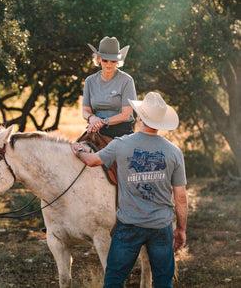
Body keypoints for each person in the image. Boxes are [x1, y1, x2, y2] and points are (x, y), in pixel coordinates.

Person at [71, 92, 188, 288]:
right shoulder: (174, 152)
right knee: (162, 281)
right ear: (160, 122)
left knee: (114, 279)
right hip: (161, 226)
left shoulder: (121, 144)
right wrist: (181, 229)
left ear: (140, 118)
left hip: (129, 225)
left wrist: (79, 150)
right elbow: (181, 197)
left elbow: (91, 161)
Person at [83, 36, 137, 139]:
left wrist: (104, 122)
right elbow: (85, 110)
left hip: (121, 131)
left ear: (118, 61)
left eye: (113, 61)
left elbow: (125, 115)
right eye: (105, 60)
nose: (109, 64)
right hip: (95, 129)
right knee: (76, 150)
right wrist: (92, 118)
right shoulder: (89, 81)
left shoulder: (127, 81)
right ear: (98, 59)